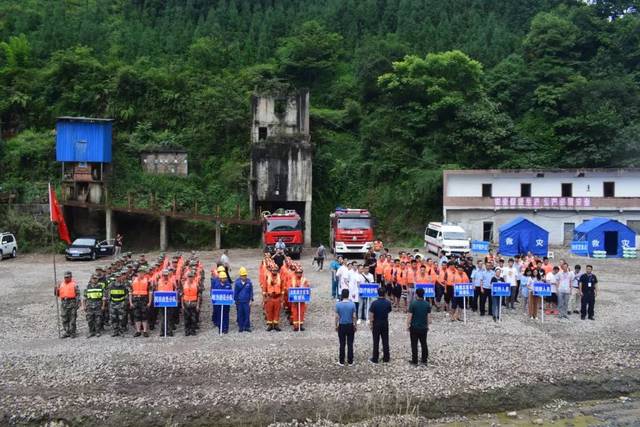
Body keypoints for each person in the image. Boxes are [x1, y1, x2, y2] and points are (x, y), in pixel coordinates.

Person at [407, 287, 431, 366]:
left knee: (414, 344)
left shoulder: (413, 304)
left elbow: (410, 316)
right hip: (423, 327)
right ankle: (424, 360)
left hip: (414, 327)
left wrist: (407, 325)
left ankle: (415, 360)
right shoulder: (427, 304)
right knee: (424, 343)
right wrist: (427, 326)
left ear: (416, 294)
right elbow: (429, 318)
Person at [368, 287, 392, 364]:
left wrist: (371, 324)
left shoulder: (374, 303)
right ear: (385, 294)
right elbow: (389, 311)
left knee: (376, 341)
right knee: (385, 340)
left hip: (376, 323)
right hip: (384, 322)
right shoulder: (388, 302)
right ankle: (386, 357)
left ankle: (375, 358)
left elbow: (371, 315)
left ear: (377, 293)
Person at [335, 289, 357, 366]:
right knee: (350, 344)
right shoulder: (352, 304)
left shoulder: (338, 304)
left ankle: (341, 361)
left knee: (342, 344)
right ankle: (350, 361)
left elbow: (337, 317)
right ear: (348, 295)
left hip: (342, 325)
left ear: (342, 295)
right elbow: (354, 316)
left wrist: (336, 325)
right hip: (350, 325)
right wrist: (355, 325)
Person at [104, 270, 129, 337]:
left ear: (121, 277)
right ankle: (115, 331)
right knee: (113, 318)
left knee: (121, 318)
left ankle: (121, 331)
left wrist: (124, 303)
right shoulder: (111, 285)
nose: (118, 278)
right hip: (113, 304)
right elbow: (107, 293)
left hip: (121, 303)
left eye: (119, 277)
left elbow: (127, 294)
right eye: (116, 277)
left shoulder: (124, 285)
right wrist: (109, 302)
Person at [56, 271, 79, 338]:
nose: (66, 278)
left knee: (72, 318)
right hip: (64, 303)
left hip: (72, 302)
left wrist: (78, 303)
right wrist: (56, 289)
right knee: (64, 318)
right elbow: (57, 294)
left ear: (71, 277)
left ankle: (73, 332)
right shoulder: (61, 284)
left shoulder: (74, 284)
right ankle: (67, 331)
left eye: (68, 277)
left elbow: (78, 294)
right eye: (65, 277)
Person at [130, 267, 152, 337]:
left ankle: (145, 331)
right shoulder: (133, 281)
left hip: (144, 299)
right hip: (135, 299)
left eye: (142, 273)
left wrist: (149, 302)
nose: (141, 274)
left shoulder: (147, 281)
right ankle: (138, 331)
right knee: (136, 315)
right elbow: (130, 293)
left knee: (144, 315)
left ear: (144, 273)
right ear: (137, 273)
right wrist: (130, 302)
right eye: (139, 273)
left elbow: (150, 292)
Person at [156, 269, 176, 336]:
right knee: (162, 317)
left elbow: (175, 290)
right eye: (164, 275)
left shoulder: (172, 281)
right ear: (162, 275)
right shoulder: (158, 282)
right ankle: (162, 331)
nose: (165, 276)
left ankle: (169, 331)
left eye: (166, 275)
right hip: (161, 301)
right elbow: (156, 291)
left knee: (169, 317)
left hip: (169, 301)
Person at [290, 266, 310, 331]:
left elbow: (307, 288)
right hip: (294, 299)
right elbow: (289, 288)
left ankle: (300, 325)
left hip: (302, 299)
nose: (299, 274)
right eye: (298, 273)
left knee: (301, 312)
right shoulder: (292, 280)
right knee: (295, 312)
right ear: (295, 273)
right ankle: (295, 326)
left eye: (300, 272)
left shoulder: (304, 280)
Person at [234, 267, 253, 332]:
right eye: (242, 276)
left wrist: (251, 300)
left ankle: (247, 326)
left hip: (247, 301)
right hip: (240, 301)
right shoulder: (237, 283)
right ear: (240, 276)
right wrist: (236, 301)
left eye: (245, 275)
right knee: (240, 314)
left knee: (247, 314)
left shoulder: (249, 282)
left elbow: (251, 291)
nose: (244, 277)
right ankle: (241, 327)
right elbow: (235, 292)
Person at [264, 266, 283, 331]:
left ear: (277, 271)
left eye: (275, 270)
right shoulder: (267, 277)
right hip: (270, 297)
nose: (274, 272)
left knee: (277, 311)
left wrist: (282, 298)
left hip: (277, 297)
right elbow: (265, 287)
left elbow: (282, 287)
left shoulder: (280, 277)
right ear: (271, 271)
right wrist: (265, 297)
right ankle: (270, 325)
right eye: (273, 270)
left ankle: (276, 324)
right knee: (269, 311)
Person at [182, 270, 200, 336]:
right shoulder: (184, 284)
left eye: (191, 277)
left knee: (193, 318)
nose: (190, 278)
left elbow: (198, 296)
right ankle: (187, 331)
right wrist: (182, 305)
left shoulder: (196, 285)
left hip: (194, 303)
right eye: (189, 277)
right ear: (187, 277)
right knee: (186, 318)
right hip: (186, 303)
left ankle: (193, 331)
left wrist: (198, 305)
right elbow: (182, 295)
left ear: (193, 277)